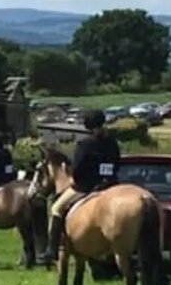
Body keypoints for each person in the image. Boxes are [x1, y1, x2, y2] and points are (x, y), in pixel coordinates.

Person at [45, 109, 121, 262]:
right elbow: (117, 164)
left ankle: (52, 250)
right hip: (111, 185)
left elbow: (78, 168)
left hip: (87, 186)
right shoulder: (112, 143)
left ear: (88, 126)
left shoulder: (85, 144)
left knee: (56, 208)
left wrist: (75, 179)